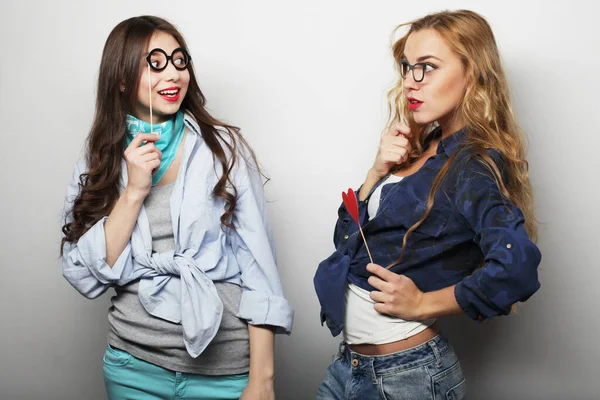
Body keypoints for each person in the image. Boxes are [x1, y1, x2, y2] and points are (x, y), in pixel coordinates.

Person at [60, 15, 293, 400]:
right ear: (121, 78)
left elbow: (258, 265)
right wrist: (134, 191)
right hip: (133, 367)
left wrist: (262, 380)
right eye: (155, 63)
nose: (173, 74)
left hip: (225, 368)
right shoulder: (98, 160)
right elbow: (84, 274)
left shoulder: (223, 149)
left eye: (179, 61)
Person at [314, 9, 541, 399]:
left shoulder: (472, 163)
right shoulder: (421, 147)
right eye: (407, 68)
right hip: (349, 366)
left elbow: (516, 267)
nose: (410, 83)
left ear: (473, 73)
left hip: (406, 377)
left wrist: (421, 303)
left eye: (428, 67)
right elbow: (346, 243)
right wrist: (375, 171)